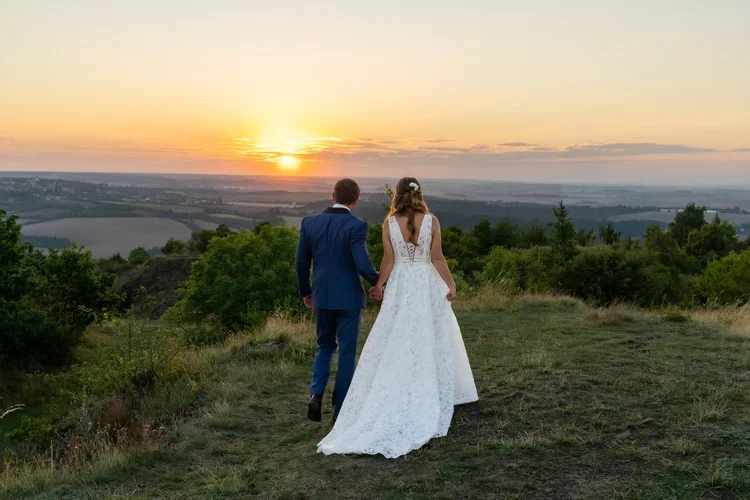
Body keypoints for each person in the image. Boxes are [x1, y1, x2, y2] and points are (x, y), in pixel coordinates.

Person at [317, 177, 478, 459]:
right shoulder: (432, 221)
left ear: (398, 195)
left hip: (402, 284)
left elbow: (388, 261)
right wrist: (450, 284)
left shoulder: (390, 223)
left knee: (398, 336)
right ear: (419, 194)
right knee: (431, 335)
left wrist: (379, 284)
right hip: (425, 282)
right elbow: (437, 258)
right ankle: (431, 388)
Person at [295, 178, 379, 423]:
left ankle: (315, 395)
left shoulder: (309, 223)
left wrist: (306, 291)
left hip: (321, 294)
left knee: (324, 346)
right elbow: (362, 264)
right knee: (346, 353)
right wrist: (378, 281)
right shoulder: (357, 225)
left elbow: (301, 263)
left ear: (333, 195)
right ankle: (340, 412)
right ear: (356, 199)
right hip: (349, 297)